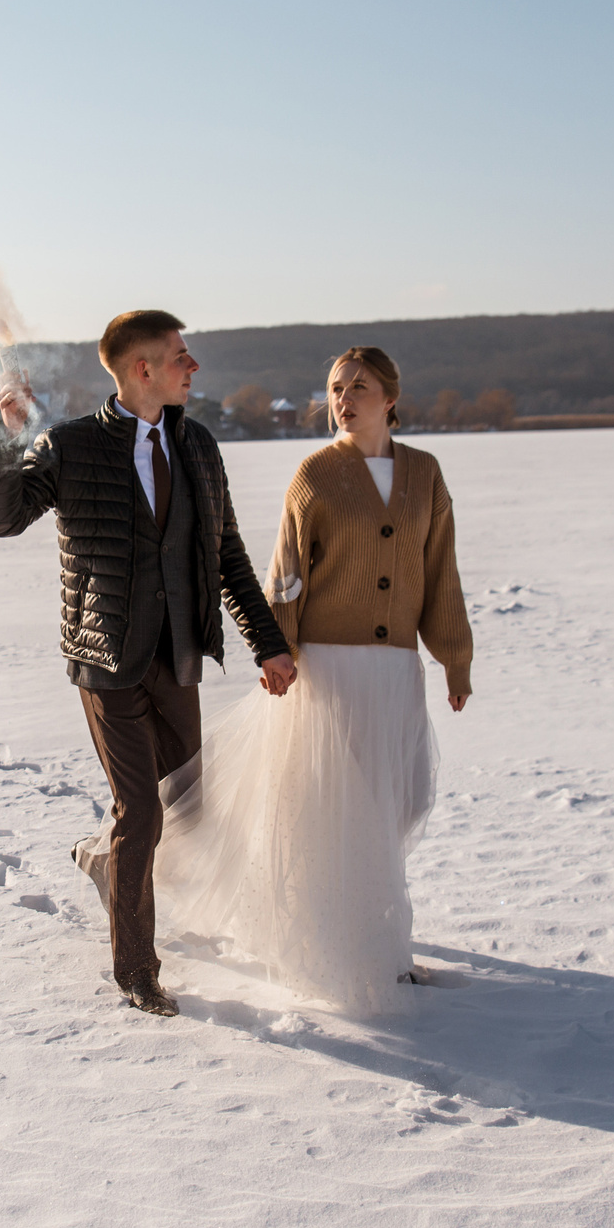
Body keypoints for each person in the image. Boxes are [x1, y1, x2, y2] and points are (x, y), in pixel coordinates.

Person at [0, 310, 299, 1017]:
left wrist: (267, 642)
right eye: (180, 356)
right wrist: (7, 437)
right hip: (106, 658)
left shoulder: (201, 446)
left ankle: (101, 860)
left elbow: (227, 556)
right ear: (139, 370)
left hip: (178, 654)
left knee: (187, 808)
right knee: (143, 809)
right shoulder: (72, 445)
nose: (194, 368)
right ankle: (136, 970)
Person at [154, 345, 473, 1015]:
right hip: (328, 670)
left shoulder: (425, 472)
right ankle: (354, 950)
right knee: (336, 816)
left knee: (398, 802)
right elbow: (286, 571)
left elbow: (440, 569)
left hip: (395, 672)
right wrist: (279, 647)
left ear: (390, 396)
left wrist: (454, 656)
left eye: (359, 386)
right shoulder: (317, 474)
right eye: (335, 388)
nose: (344, 398)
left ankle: (372, 935)